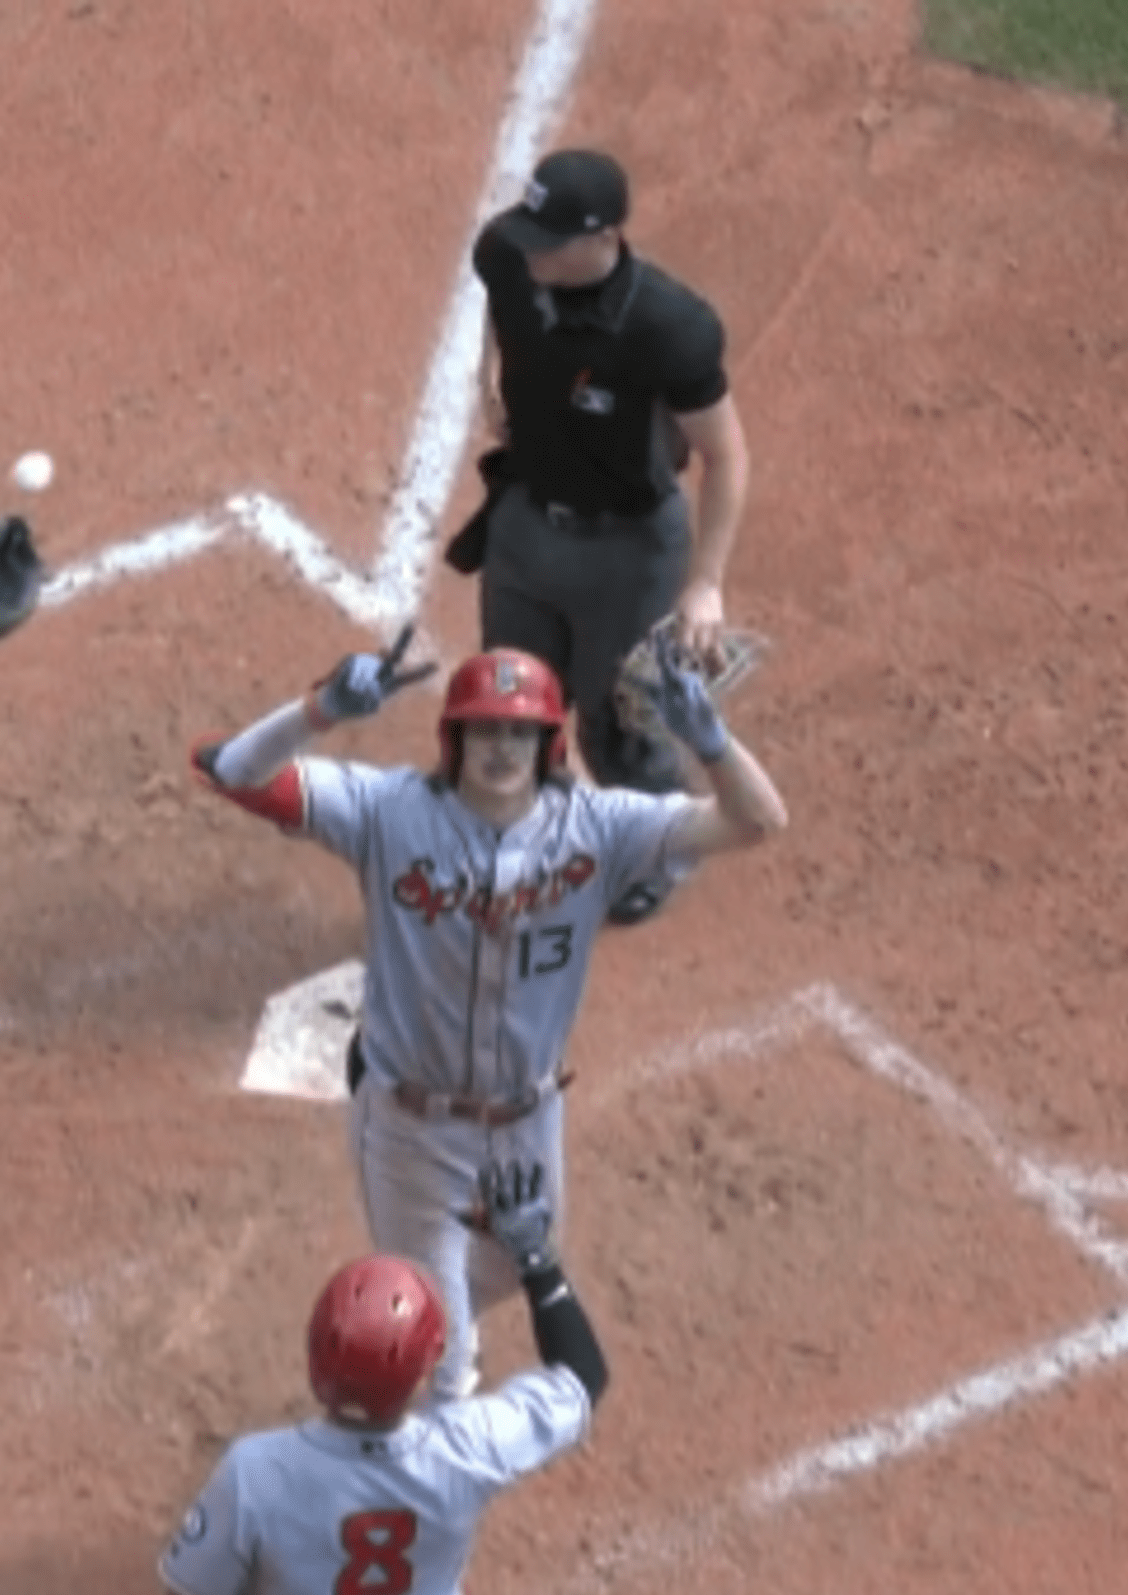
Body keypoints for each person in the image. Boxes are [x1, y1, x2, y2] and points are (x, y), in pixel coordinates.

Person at [188, 625, 782, 1433]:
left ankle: (443, 1366)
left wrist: (711, 743)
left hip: (531, 1120)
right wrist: (320, 708)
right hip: (412, 1130)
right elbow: (233, 771)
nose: (501, 746)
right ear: (453, 737)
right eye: (484, 728)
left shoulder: (600, 826)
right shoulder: (388, 813)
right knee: (439, 1349)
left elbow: (757, 822)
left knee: (508, 1270)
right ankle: (423, 1503)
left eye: (519, 731)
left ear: (547, 742)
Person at [143, 1160, 608, 1595]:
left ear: (315, 1356)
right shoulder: (467, 1450)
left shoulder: (256, 1471)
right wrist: (537, 1259)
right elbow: (583, 1376)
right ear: (423, 1374)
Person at [455, 146, 753, 927]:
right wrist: (493, 370)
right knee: (513, 698)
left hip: (630, 557)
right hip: (525, 529)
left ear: (605, 238)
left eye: (551, 239)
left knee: (620, 731)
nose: (533, 250)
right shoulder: (510, 255)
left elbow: (723, 454)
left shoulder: (667, 326)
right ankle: (528, 834)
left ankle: (651, 853)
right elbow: (501, 302)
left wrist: (706, 580)